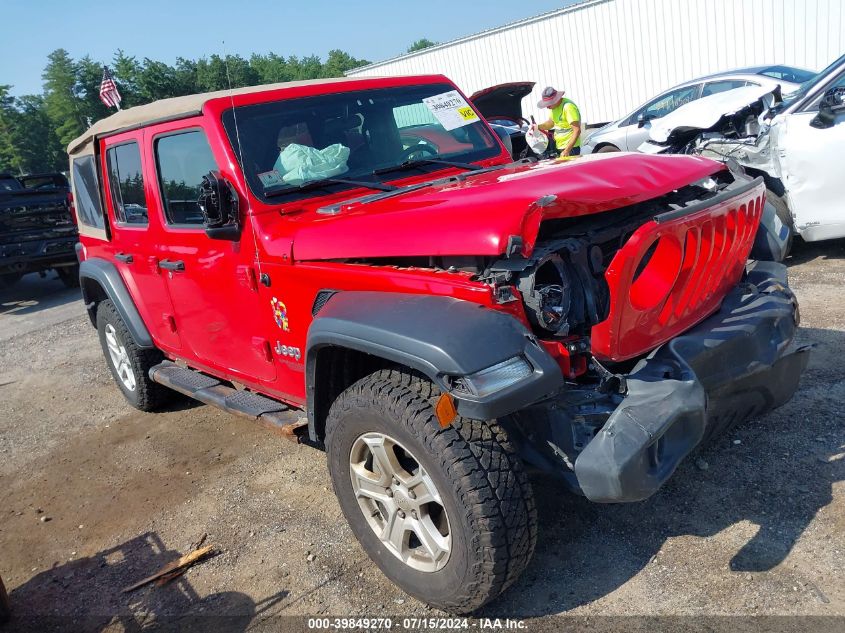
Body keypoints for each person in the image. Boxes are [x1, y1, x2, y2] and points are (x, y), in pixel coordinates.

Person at [534, 86, 582, 157]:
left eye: (549, 104)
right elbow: (551, 123)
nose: (547, 107)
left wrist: (566, 151)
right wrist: (537, 127)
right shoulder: (554, 108)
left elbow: (577, 130)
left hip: (571, 149)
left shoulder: (568, 107)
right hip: (561, 146)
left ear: (556, 100)